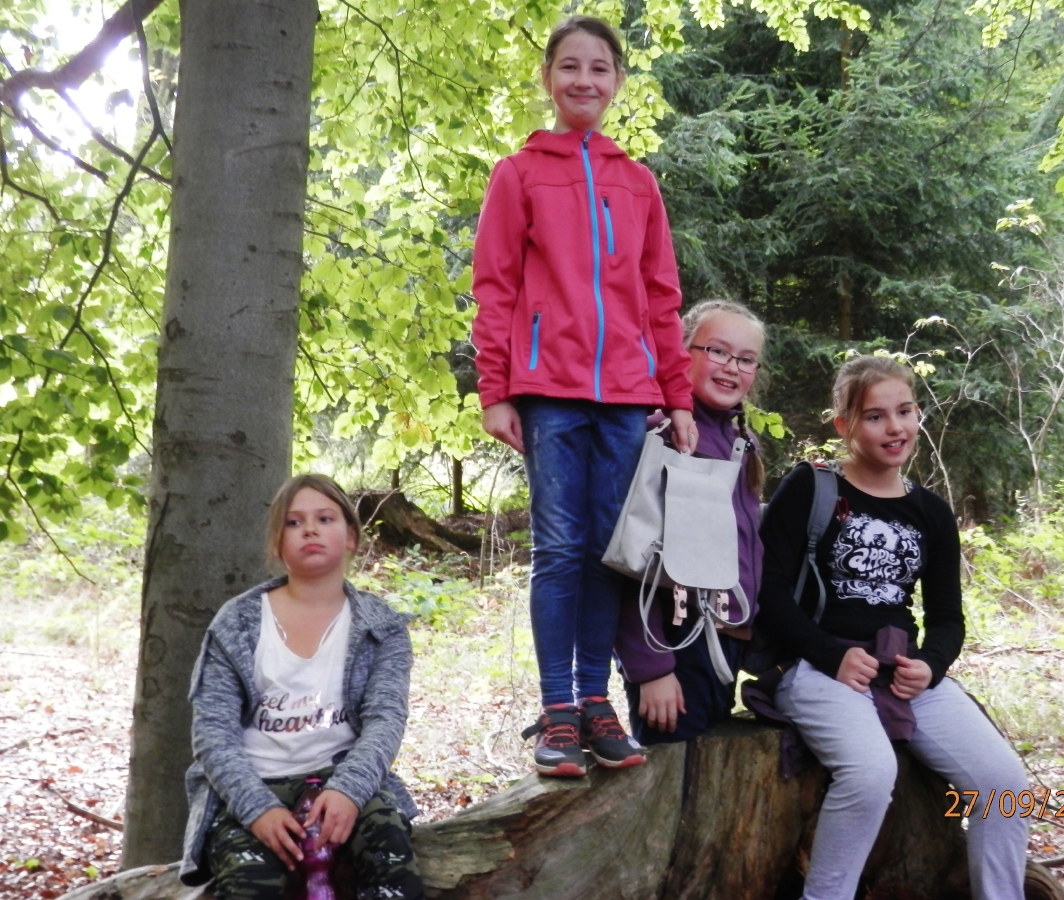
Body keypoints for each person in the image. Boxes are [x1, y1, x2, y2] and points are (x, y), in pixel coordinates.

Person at [471, 15, 696, 776]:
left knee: (609, 551)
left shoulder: (638, 183)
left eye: (599, 68)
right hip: (550, 392)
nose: (584, 80)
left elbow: (661, 295)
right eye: (569, 66)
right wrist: (495, 390)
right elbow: (496, 288)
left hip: (628, 396)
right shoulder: (519, 174)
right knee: (560, 547)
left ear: (618, 82)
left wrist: (678, 396)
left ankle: (598, 703)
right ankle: (557, 710)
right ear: (548, 78)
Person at [757, 356, 1029, 900]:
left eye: (904, 411)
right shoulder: (810, 488)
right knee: (870, 773)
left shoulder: (931, 512)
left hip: (901, 670)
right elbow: (769, 594)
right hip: (816, 667)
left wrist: (930, 664)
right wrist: (830, 654)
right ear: (845, 424)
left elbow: (947, 618)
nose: (894, 427)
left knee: (1004, 784)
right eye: (875, 416)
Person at [180, 474, 425, 900]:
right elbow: (212, 733)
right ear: (277, 544)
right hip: (253, 782)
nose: (309, 529)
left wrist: (349, 791)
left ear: (351, 537)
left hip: (343, 776)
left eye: (325, 519)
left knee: (391, 861)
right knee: (250, 881)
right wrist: (257, 809)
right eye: (293, 523)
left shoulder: (381, 627)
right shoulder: (236, 623)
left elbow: (385, 720)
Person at [614, 299, 765, 743]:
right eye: (717, 351)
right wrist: (650, 668)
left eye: (746, 359)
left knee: (708, 772)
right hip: (674, 646)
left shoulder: (742, 441)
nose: (731, 367)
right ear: (683, 353)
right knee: (674, 775)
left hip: (728, 643)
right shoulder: (660, 435)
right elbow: (629, 559)